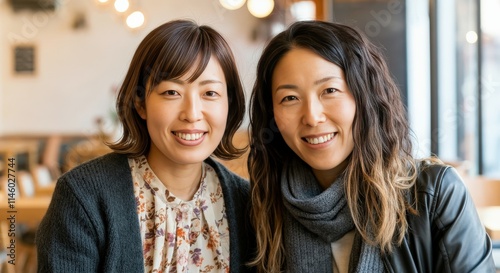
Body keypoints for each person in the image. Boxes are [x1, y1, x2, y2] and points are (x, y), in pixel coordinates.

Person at [248, 20, 495, 273]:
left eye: (330, 90)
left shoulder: (435, 195)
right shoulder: (262, 206)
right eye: (290, 98)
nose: (312, 117)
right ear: (272, 114)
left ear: (364, 96)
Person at [37, 19, 255, 273]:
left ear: (229, 104)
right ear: (140, 103)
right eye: (172, 92)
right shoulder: (83, 197)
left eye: (210, 94)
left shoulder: (250, 204)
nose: (192, 114)